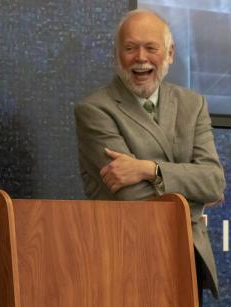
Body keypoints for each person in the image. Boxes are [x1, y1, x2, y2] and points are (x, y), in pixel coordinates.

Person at [74, 9, 225, 305]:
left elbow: (214, 182)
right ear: (117, 56)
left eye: (151, 47)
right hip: (125, 258)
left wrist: (149, 168)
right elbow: (131, 198)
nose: (140, 57)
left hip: (187, 257)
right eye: (130, 48)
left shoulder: (193, 104)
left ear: (169, 53)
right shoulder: (94, 109)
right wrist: (194, 197)